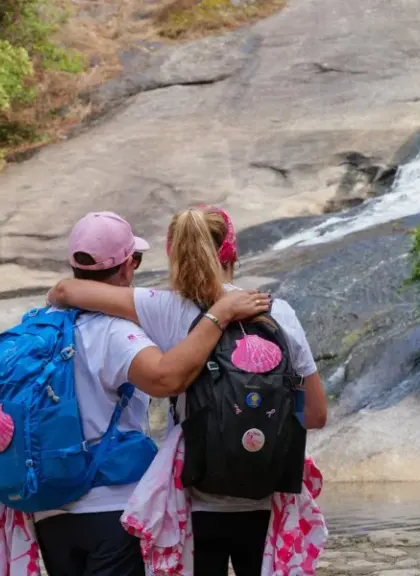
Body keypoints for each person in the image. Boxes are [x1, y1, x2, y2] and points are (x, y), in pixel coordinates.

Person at [47, 205, 327, 576]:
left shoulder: (163, 308)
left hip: (194, 497)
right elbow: (315, 414)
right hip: (266, 492)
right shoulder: (278, 311)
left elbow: (66, 290)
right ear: (233, 253)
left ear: (174, 254)